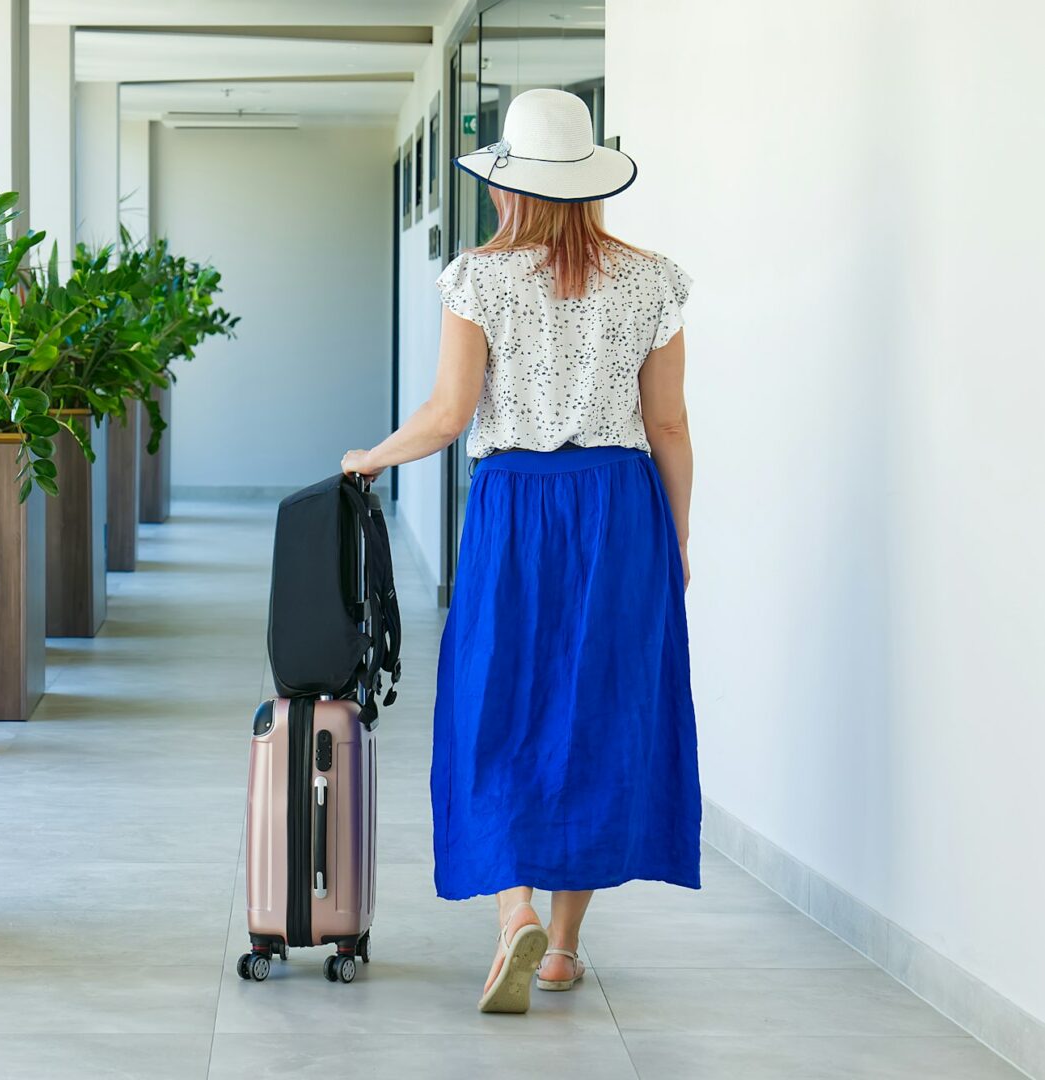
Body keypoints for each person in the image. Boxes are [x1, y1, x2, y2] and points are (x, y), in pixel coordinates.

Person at [340, 88, 700, 1014]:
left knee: (496, 700)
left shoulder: (479, 278)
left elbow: (447, 415)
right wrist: (675, 540)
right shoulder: (653, 280)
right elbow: (667, 425)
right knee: (599, 711)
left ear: (508, 186)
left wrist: (370, 457)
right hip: (621, 511)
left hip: (515, 509)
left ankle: (514, 916)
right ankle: (562, 952)